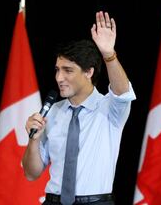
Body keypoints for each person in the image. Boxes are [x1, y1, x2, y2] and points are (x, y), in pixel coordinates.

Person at [22, 11, 136, 205]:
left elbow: (123, 92)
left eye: (68, 70)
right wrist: (33, 140)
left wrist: (109, 54)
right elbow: (31, 174)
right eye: (58, 70)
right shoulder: (53, 112)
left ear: (88, 72)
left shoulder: (109, 108)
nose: (59, 78)